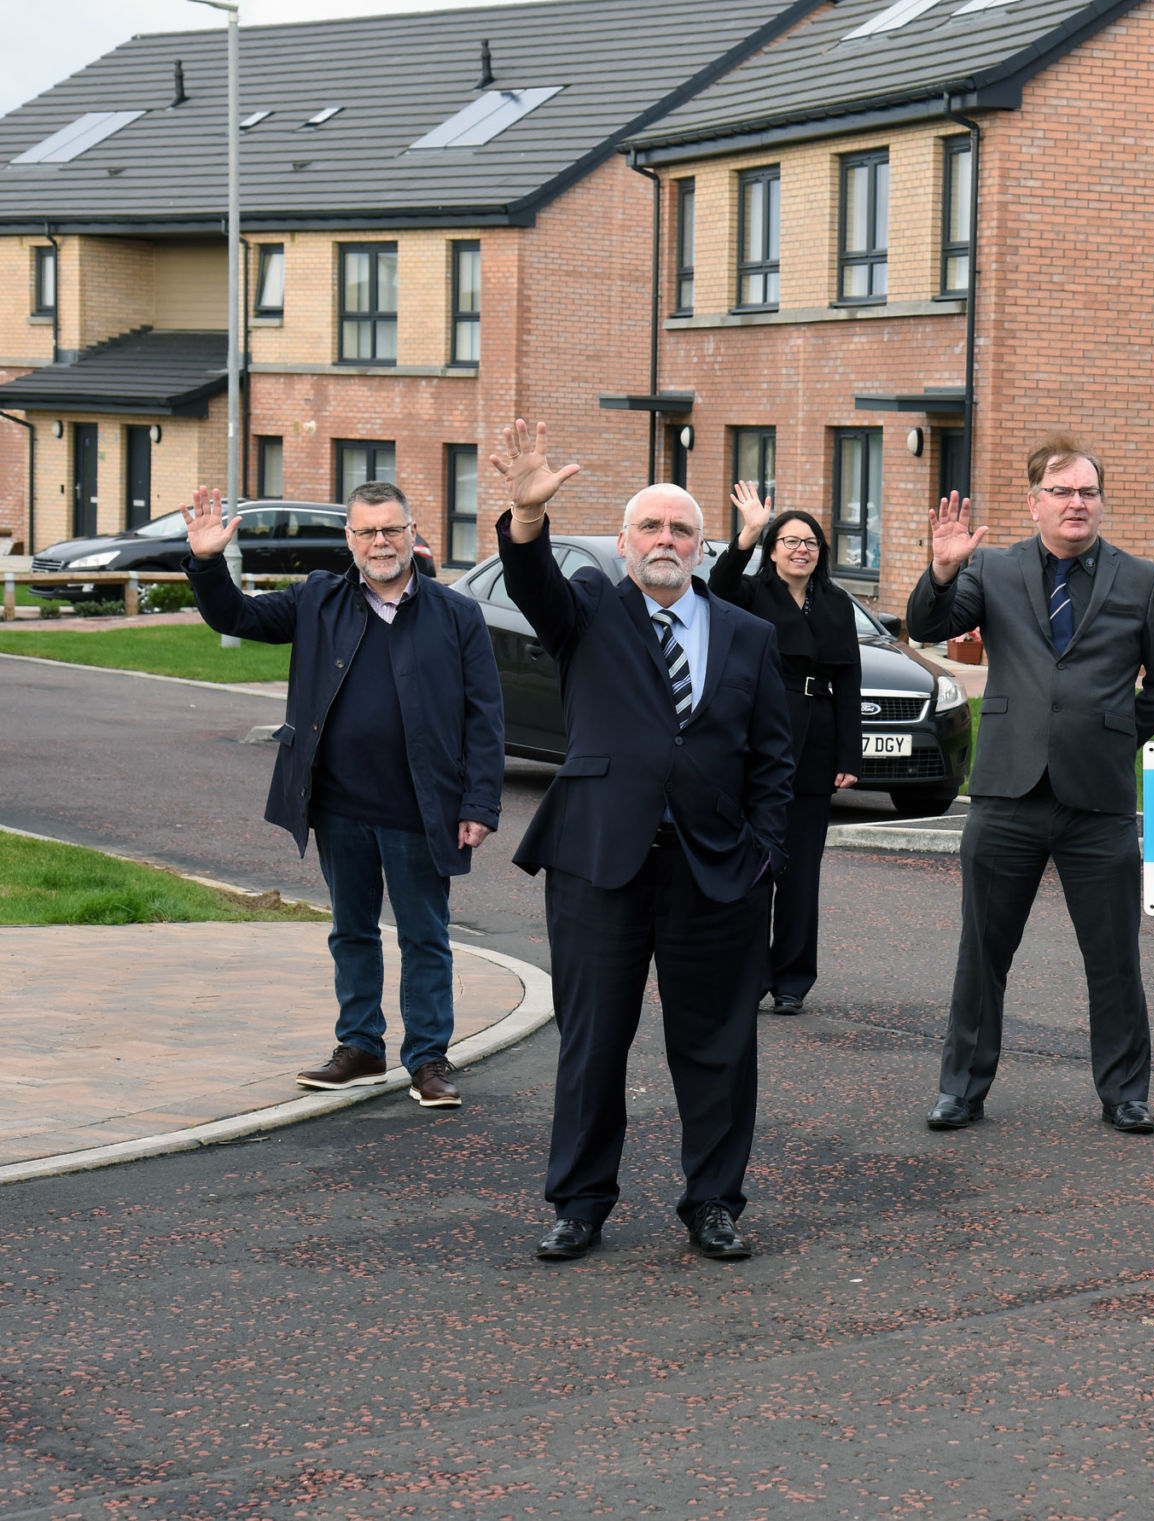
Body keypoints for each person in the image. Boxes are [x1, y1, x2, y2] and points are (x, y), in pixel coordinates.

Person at [485, 420, 795, 1265]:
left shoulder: (747, 634)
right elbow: (531, 579)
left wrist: (764, 854)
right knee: (592, 1042)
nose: (666, 540)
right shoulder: (587, 611)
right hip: (600, 863)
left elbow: (774, 758)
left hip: (717, 873)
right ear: (624, 544)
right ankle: (579, 1203)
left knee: (719, 1047)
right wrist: (526, 515)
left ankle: (714, 1202)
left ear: (702, 546)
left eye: (681, 529)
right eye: (650, 527)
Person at [181, 480, 502, 1110]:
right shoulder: (317, 599)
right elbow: (237, 617)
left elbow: (485, 716)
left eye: (392, 529)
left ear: (412, 533)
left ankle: (428, 1059)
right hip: (337, 805)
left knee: (424, 936)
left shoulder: (456, 614)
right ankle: (360, 1046)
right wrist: (208, 563)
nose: (380, 542)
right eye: (367, 531)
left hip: (420, 808)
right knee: (351, 930)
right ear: (349, 539)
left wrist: (480, 803)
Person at [907, 437, 1154, 1135]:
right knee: (983, 952)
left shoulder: (1141, 579)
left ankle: (1125, 1091)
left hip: (1097, 801)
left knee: (1114, 957)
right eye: (1061, 491)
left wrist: (1113, 733)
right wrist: (941, 571)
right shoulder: (993, 568)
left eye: (1087, 492)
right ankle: (961, 1089)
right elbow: (928, 625)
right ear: (1035, 502)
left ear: (1100, 502)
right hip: (1008, 793)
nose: (1076, 503)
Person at [712, 483, 864, 1015]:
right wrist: (747, 534)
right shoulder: (751, 593)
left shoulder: (837, 603)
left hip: (817, 741)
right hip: (757, 738)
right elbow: (718, 586)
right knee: (754, 865)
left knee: (801, 872)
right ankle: (748, 974)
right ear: (772, 549)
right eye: (791, 541)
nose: (802, 550)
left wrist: (849, 755)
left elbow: (849, 680)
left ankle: (793, 979)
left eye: (812, 543)